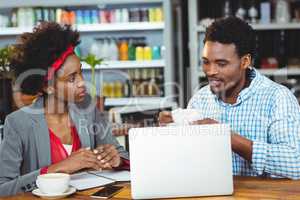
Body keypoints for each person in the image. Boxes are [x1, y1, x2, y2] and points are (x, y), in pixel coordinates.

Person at [159, 17, 300, 179]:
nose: (210, 71)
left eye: (221, 63)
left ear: (245, 61)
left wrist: (226, 136)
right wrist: (169, 135)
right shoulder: (199, 99)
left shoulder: (277, 98)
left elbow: (296, 163)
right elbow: (187, 162)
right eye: (206, 62)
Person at [0, 22, 129, 196]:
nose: (82, 82)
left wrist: (117, 160)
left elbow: (121, 153)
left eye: (81, 72)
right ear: (48, 87)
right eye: (71, 78)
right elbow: (4, 188)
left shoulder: (87, 107)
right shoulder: (18, 124)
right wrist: (58, 168)